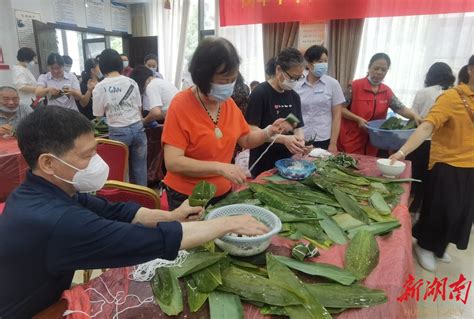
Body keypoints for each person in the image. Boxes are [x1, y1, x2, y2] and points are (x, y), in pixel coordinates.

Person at [0, 106, 269, 319]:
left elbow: (119, 212)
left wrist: (172, 215)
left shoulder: (45, 191)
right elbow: (145, 240)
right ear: (48, 163)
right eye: (87, 155)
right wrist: (226, 224)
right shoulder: (56, 220)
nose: (97, 162)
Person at [162, 37, 291, 210]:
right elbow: (173, 162)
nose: (229, 86)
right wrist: (220, 168)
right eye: (223, 81)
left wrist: (268, 132)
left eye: (233, 80)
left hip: (222, 191)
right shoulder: (180, 105)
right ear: (203, 77)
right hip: (187, 196)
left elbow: (245, 139)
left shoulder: (227, 104)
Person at [389, 55, 474, 272]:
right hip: (449, 163)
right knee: (443, 209)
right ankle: (425, 245)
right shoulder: (451, 97)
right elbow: (427, 126)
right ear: (471, 70)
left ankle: (440, 245)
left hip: (471, 164)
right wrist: (402, 151)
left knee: (463, 212)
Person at [338, 53, 422, 156]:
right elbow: (340, 109)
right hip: (352, 137)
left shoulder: (386, 91)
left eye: (383, 70)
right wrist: (357, 119)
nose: (379, 72)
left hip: (374, 140)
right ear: (369, 68)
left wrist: (414, 115)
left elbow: (401, 109)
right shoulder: (355, 86)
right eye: (376, 68)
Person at [245, 48, 307, 178]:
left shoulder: (294, 96)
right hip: (263, 161)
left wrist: (299, 141)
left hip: (287, 163)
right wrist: (283, 139)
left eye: (299, 78)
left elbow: (296, 125)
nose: (294, 82)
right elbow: (251, 130)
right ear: (279, 70)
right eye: (292, 77)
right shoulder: (260, 93)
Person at [93, 49, 148, 186]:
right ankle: (143, 199)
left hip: (118, 132)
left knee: (122, 170)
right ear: (119, 64)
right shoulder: (132, 82)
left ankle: (126, 202)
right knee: (140, 168)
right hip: (138, 128)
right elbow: (139, 107)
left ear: (102, 66)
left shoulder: (100, 87)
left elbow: (98, 115)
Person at [407, 62, 455, 213]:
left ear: (430, 76)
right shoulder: (453, 94)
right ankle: (418, 208)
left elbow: (414, 118)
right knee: (429, 179)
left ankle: (406, 208)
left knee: (413, 177)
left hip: (421, 142)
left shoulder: (424, 92)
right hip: (443, 146)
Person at [294, 45, 345, 152]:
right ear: (308, 63)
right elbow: (293, 113)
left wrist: (333, 143)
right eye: (319, 61)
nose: (323, 64)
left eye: (325, 61)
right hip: (301, 137)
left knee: (321, 167)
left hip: (324, 137)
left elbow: (337, 116)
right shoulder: (296, 85)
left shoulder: (333, 84)